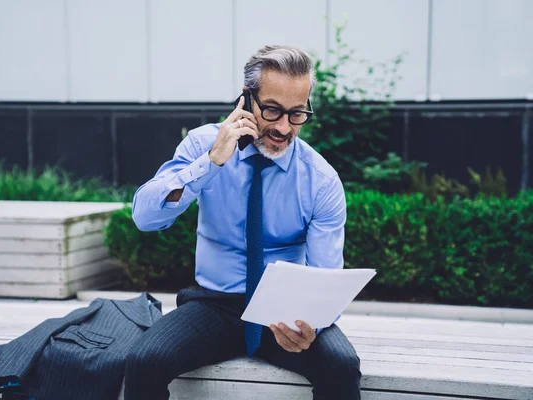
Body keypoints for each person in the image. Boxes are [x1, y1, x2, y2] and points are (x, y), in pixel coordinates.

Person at [126, 45, 361, 399]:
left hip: (286, 311)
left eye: (297, 114)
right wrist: (211, 161)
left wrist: (312, 322)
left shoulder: (320, 181)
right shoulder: (203, 145)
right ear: (246, 99)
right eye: (273, 110)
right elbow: (144, 217)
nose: (284, 127)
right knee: (144, 360)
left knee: (341, 366)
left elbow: (326, 278)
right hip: (213, 304)